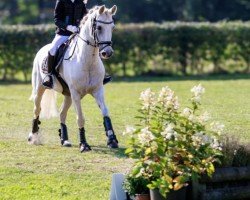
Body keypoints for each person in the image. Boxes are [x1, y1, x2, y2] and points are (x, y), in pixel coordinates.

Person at [43, 0, 112, 89]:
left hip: (78, 34)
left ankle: (101, 76)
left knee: (94, 48)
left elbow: (86, 16)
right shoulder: (61, 1)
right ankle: (50, 76)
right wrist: (69, 27)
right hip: (63, 34)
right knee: (52, 50)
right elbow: (57, 20)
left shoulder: (80, 2)